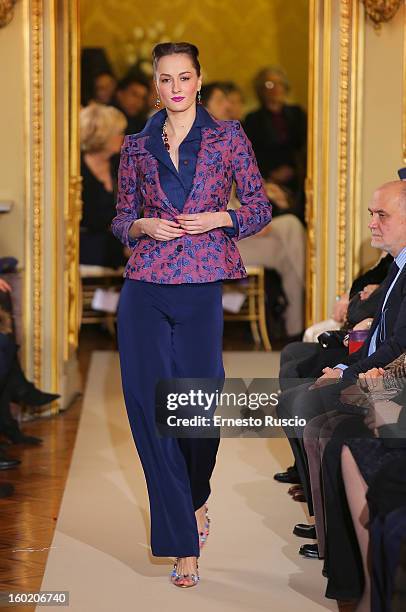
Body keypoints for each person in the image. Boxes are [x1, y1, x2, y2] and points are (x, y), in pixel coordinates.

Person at [111, 41, 272, 588]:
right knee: (148, 408)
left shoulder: (228, 137)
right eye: (165, 78)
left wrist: (218, 217)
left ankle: (197, 498)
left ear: (199, 80)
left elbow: (258, 207)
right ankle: (183, 544)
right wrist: (140, 227)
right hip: (145, 287)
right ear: (156, 84)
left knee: (199, 409)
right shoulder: (135, 146)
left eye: (184, 77)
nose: (175, 87)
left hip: (201, 284)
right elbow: (120, 218)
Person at [244, 66, 307, 222]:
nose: (275, 89)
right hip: (267, 178)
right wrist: (271, 175)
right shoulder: (252, 119)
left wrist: (293, 169)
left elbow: (305, 146)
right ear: (261, 90)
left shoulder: (297, 114)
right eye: (269, 85)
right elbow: (251, 153)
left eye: (279, 84)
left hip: (298, 178)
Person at [79, 104, 128, 268]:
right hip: (88, 244)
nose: (123, 137)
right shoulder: (76, 169)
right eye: (118, 133)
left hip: (118, 240)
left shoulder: (118, 164)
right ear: (103, 136)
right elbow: (89, 218)